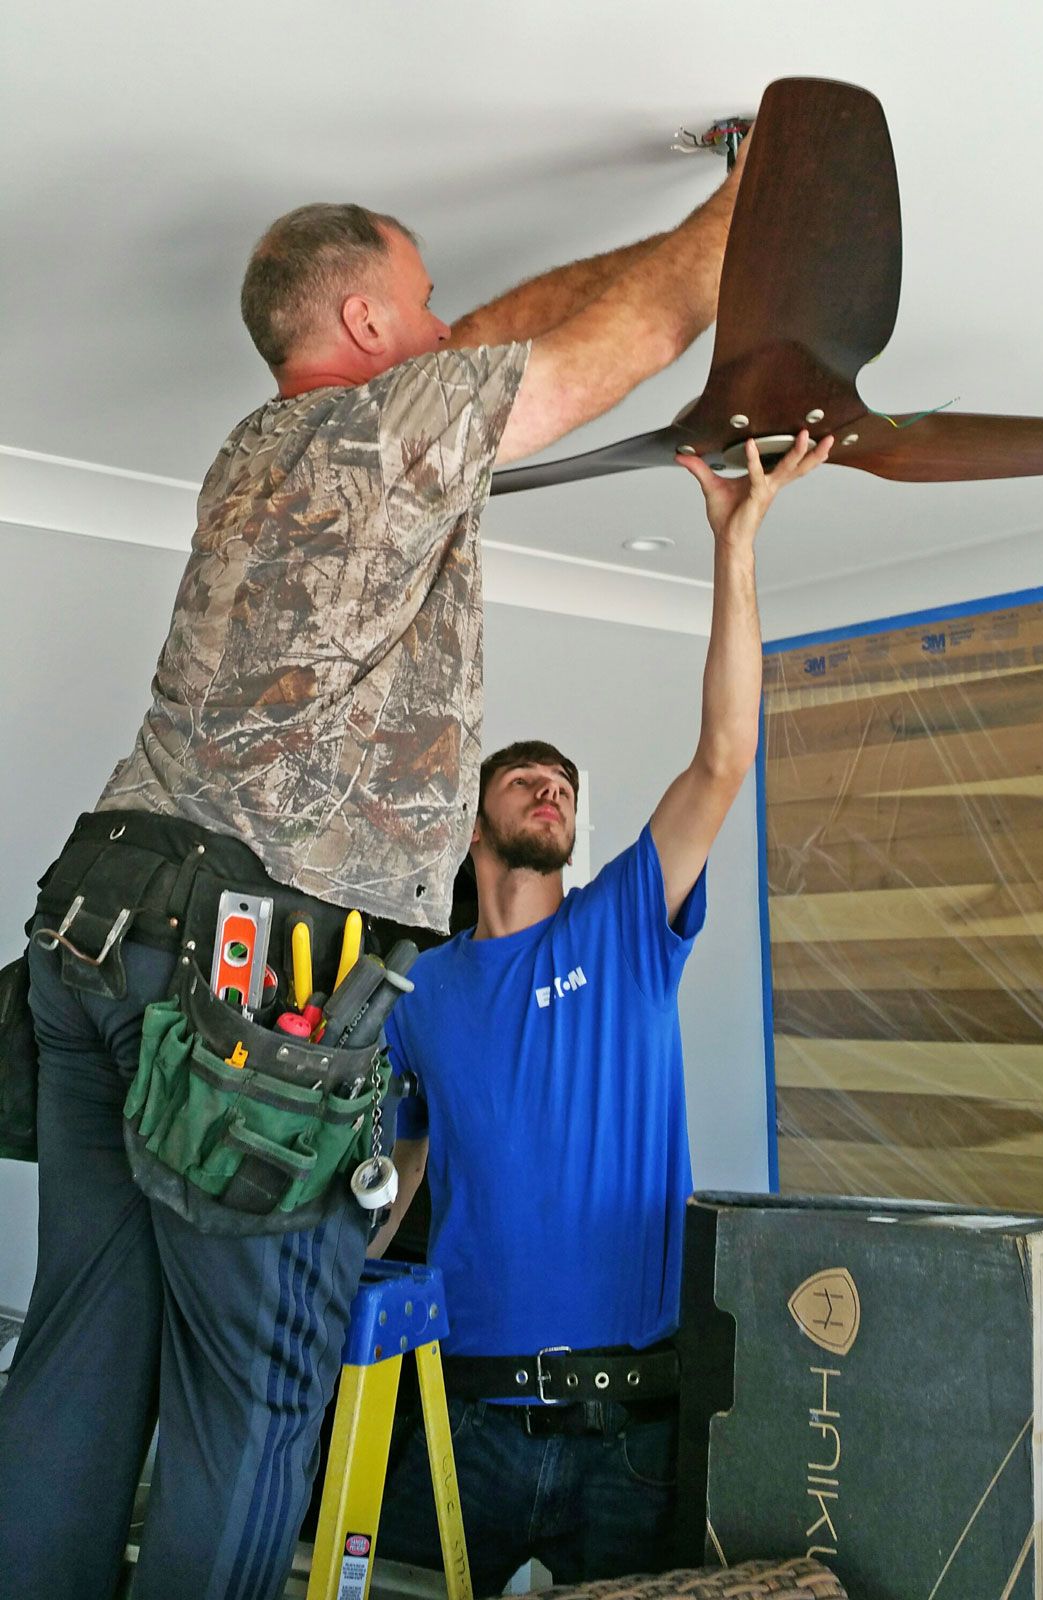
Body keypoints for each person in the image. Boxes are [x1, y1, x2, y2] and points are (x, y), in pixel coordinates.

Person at [0, 145, 754, 1600]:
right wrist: (740, 207)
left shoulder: (264, 449)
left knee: (82, 1358)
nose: (444, 319)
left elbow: (482, 348)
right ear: (362, 330)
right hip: (248, 980)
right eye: (419, 298)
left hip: (91, 935)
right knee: (255, 1396)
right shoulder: (382, 426)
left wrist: (480, 328)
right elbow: (633, 333)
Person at [370, 428, 834, 1592]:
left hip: (625, 1429)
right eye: (525, 778)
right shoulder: (417, 989)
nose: (552, 787)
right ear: (473, 827)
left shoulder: (623, 925)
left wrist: (736, 544)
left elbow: (724, 756)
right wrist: (333, 1289)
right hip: (457, 1411)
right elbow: (402, 1161)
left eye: (565, 784)